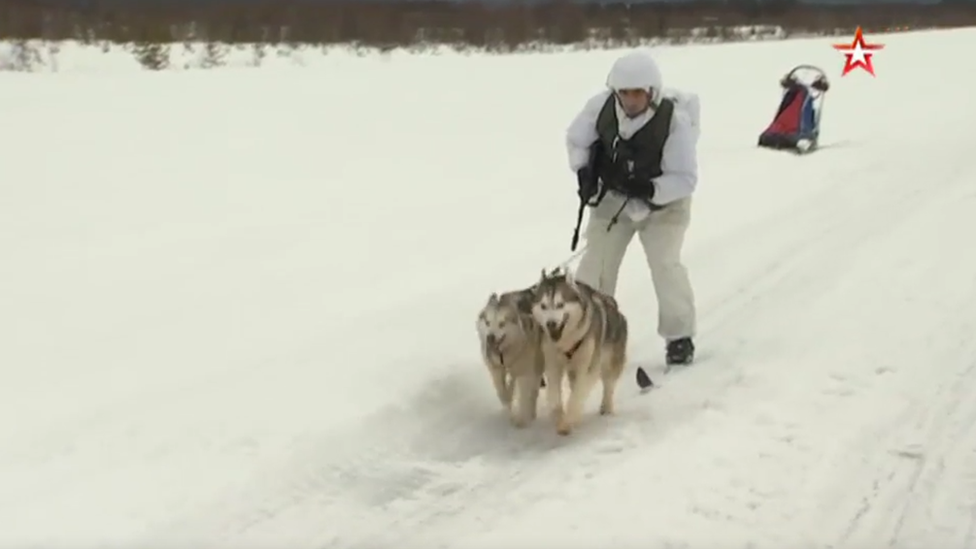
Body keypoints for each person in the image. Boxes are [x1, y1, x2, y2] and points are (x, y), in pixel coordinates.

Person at [564, 49, 699, 367]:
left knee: (665, 265)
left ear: (651, 91)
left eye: (637, 92)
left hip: (665, 205)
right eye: (624, 92)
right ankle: (585, 336)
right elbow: (576, 141)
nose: (631, 99)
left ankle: (679, 337)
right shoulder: (600, 107)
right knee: (594, 266)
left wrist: (649, 189)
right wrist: (584, 171)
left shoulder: (674, 122)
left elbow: (686, 178)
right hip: (614, 199)